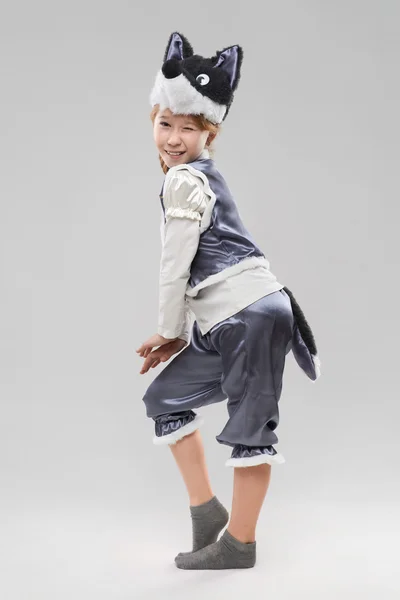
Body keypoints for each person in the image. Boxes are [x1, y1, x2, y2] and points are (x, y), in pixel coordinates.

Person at [136, 32, 321, 570]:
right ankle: (206, 512)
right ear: (152, 119)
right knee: (165, 399)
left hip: (251, 315)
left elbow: (175, 267)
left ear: (209, 132)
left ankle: (239, 544)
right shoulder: (192, 176)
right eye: (164, 123)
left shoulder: (186, 183)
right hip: (230, 318)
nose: (172, 138)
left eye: (187, 128)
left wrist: (168, 332)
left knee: (250, 426)